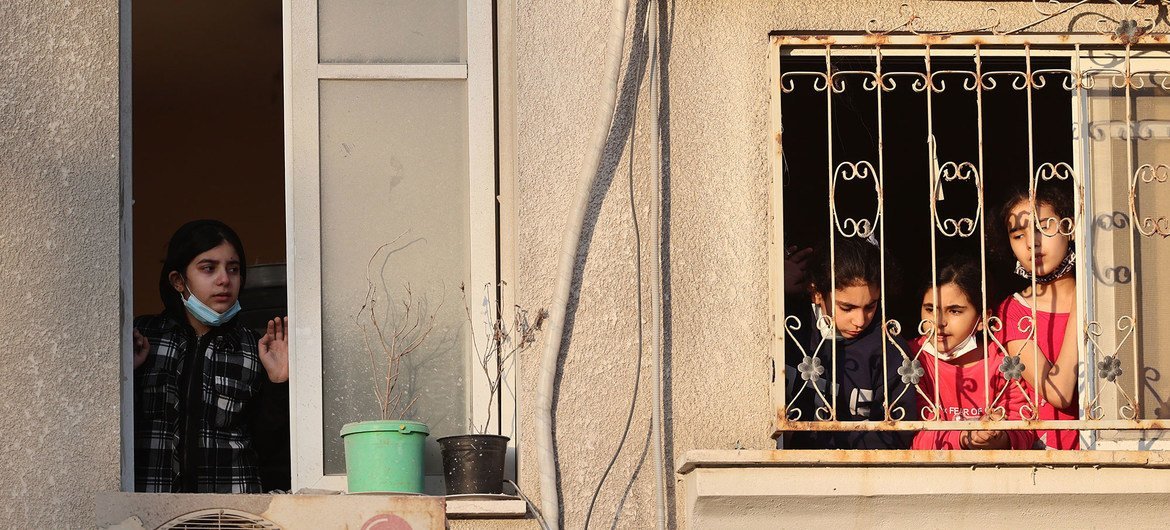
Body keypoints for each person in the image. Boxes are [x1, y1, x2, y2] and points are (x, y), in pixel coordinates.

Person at [133, 220, 289, 492]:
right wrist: (127, 373)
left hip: (230, 512)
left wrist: (278, 383)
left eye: (234, 269)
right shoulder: (143, 337)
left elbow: (269, 450)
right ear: (178, 281)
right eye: (208, 268)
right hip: (148, 510)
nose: (224, 280)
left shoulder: (254, 348)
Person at [783, 236, 917, 449]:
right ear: (816, 292)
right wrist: (772, 284)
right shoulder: (787, 330)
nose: (860, 321)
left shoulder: (888, 348)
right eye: (847, 308)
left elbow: (898, 432)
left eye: (870, 306)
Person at [910, 259, 1037, 450]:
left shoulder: (1003, 361)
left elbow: (1024, 426)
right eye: (929, 309)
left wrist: (999, 435)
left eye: (954, 311)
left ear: (983, 319)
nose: (939, 322)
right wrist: (963, 437)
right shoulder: (911, 359)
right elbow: (909, 433)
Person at [994, 186, 1080, 450]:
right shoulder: (1013, 311)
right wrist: (1083, 300)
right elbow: (1058, 392)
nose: (1032, 242)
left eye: (1044, 227)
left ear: (1071, 227)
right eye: (1018, 235)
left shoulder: (1109, 299)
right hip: (1049, 456)